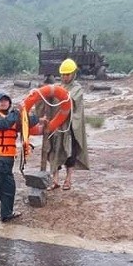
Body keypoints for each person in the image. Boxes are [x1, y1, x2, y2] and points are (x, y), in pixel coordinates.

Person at [0, 92, 39, 222]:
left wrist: (35, 115)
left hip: (8, 161)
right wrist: (16, 111)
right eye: (1, 101)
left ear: (9, 103)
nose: (4, 103)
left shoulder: (13, 118)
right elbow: (3, 124)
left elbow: (28, 122)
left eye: (6, 101)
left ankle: (7, 214)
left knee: (9, 188)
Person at [46, 58, 88, 191]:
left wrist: (59, 95)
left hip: (70, 128)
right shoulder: (56, 87)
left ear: (73, 74)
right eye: (63, 74)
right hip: (56, 127)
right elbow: (49, 104)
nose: (65, 77)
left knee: (70, 153)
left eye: (67, 74)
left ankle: (68, 179)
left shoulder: (77, 88)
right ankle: (55, 180)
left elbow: (70, 100)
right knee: (53, 151)